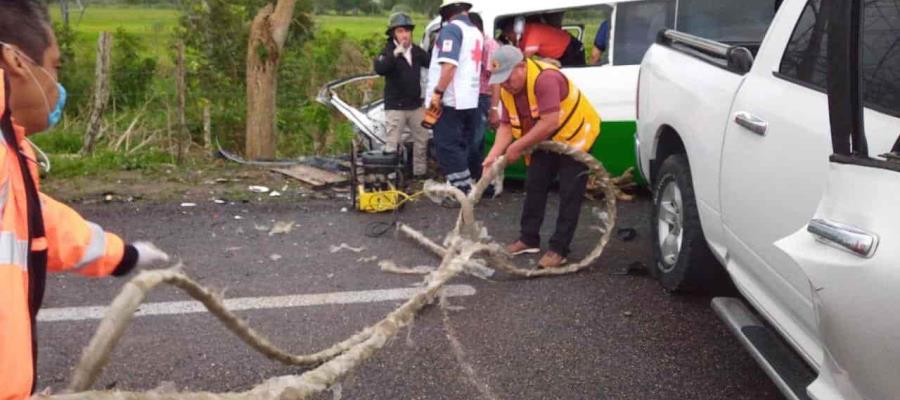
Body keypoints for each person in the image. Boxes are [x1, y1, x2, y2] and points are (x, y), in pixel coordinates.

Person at [0, 2, 170, 397]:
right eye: (54, 67)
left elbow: (35, 219)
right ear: (15, 61)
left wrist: (120, 255)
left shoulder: (10, 151)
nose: (57, 86)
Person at [483, 46, 601, 269]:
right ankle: (528, 238)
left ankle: (559, 249)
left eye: (508, 78)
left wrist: (517, 147)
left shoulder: (546, 79)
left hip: (575, 137)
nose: (505, 84)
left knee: (569, 192)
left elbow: (550, 121)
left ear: (521, 66)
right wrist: (493, 156)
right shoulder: (509, 88)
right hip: (543, 139)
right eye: (501, 80)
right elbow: (507, 125)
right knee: (535, 184)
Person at [424, 0, 483, 199]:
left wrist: (438, 92)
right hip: (470, 98)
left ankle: (461, 190)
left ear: (447, 11)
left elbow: (449, 66)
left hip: (451, 99)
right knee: (464, 144)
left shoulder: (451, 30)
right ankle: (470, 184)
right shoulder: (476, 32)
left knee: (447, 145)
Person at [374, 12, 431, 178]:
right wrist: (396, 54)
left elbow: (431, 63)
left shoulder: (417, 51)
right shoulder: (387, 51)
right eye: (400, 31)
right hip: (395, 106)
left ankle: (419, 174)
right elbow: (380, 68)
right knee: (392, 143)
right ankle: (391, 176)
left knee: (422, 140)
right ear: (393, 33)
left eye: (407, 31)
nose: (405, 35)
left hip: (415, 105)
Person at [467, 12, 500, 197]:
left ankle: (481, 182)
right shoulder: (472, 45)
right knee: (474, 142)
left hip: (483, 97)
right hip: (471, 98)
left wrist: (494, 109)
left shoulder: (489, 46)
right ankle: (480, 182)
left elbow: (496, 80)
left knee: (475, 142)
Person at [500, 18, 586, 67]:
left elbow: (523, 61)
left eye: (509, 36)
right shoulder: (522, 35)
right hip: (560, 53)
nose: (509, 39)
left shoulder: (533, 34)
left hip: (571, 50)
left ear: (515, 30)